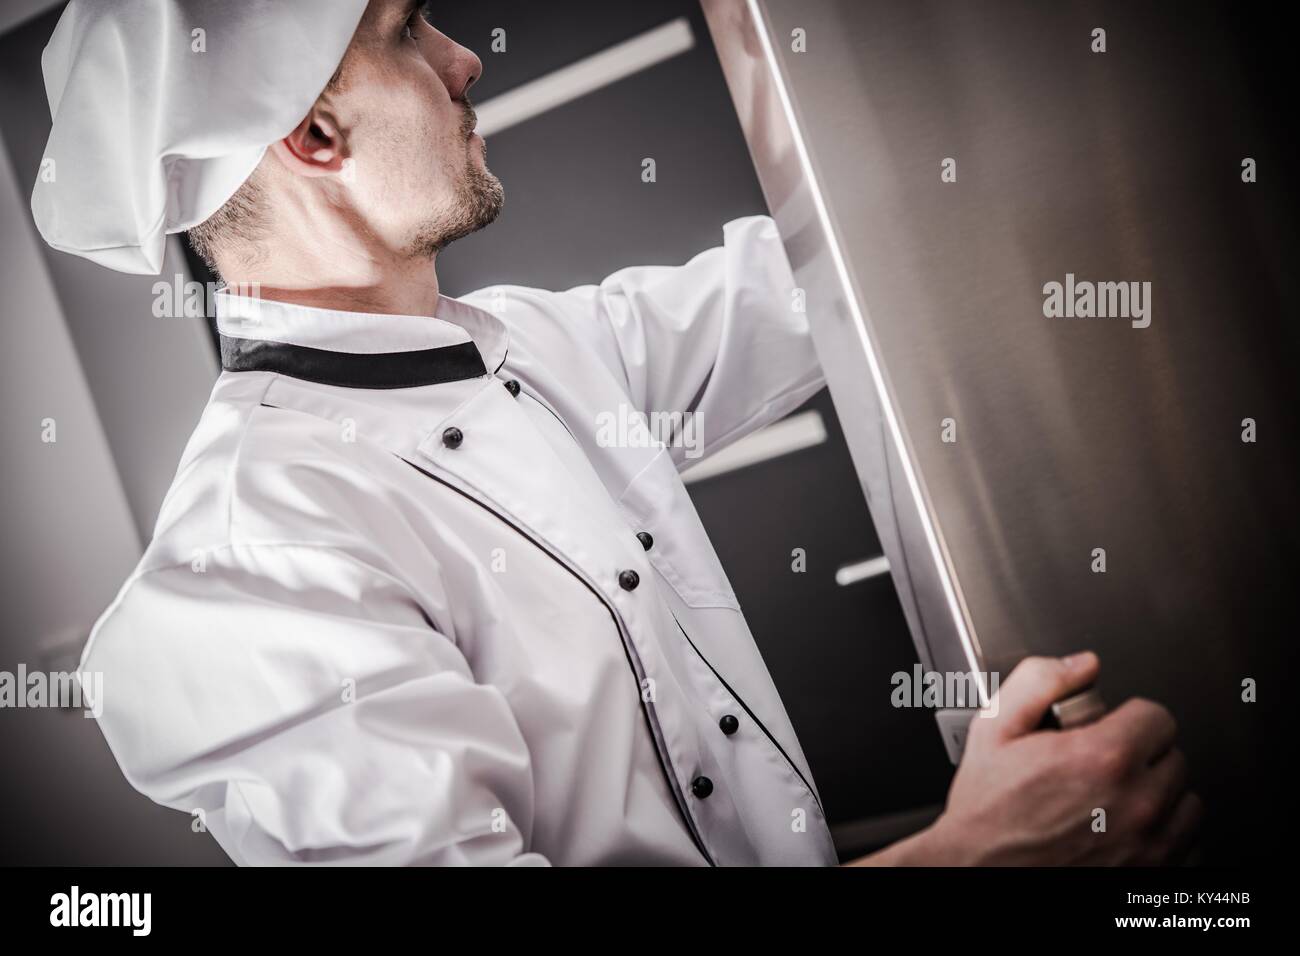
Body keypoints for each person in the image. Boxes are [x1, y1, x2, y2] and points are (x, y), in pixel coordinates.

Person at [35, 0, 1200, 866]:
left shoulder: (537, 345)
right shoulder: (246, 567)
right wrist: (973, 855)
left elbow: (827, 275)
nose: (461, 57)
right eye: (404, 32)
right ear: (315, 138)